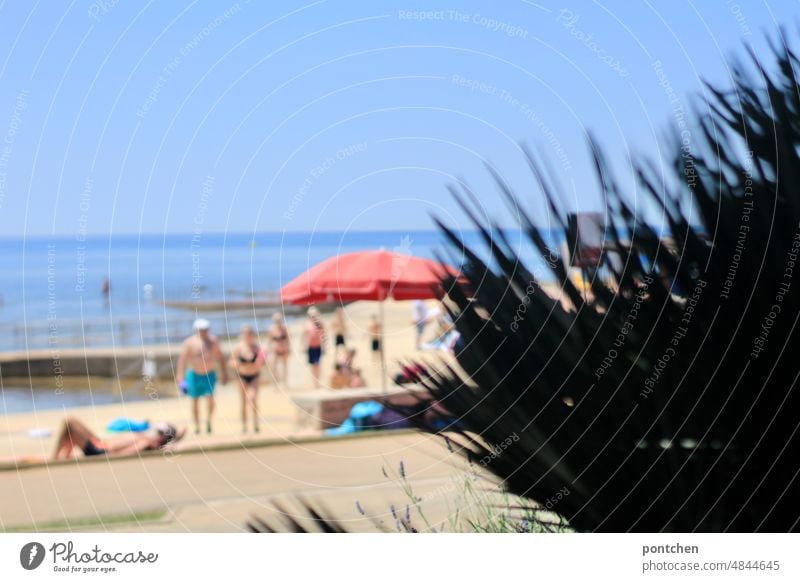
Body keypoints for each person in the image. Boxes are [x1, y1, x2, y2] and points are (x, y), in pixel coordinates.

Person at [177, 318, 230, 434]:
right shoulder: (189, 343)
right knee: (195, 400)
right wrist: (180, 378)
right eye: (202, 330)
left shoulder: (213, 341)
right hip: (194, 375)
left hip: (209, 374)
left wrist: (224, 373)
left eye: (206, 329)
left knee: (210, 399)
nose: (204, 332)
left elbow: (220, 358)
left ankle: (209, 421)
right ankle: (197, 426)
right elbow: (182, 361)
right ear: (197, 330)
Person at [52, 417, 184, 460]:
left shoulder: (146, 442)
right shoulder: (146, 438)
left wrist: (106, 458)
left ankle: (55, 458)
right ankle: (63, 456)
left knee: (69, 423)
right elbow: (181, 432)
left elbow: (125, 453)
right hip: (100, 443)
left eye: (157, 431)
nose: (153, 431)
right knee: (70, 423)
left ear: (160, 438)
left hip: (100, 450)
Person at [230, 325, 266, 433]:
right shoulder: (239, 348)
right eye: (245, 334)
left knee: (253, 399)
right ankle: (244, 426)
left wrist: (259, 363)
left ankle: (256, 424)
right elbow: (231, 362)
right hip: (242, 377)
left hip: (254, 376)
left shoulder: (257, 347)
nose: (248, 336)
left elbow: (263, 361)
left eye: (250, 334)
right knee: (243, 402)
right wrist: (239, 363)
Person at [304, 307, 326, 388]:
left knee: (318, 364)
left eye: (314, 314)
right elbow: (304, 336)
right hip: (310, 347)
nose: (312, 316)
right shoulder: (307, 324)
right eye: (311, 315)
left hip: (318, 346)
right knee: (313, 365)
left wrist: (324, 346)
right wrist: (304, 346)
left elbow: (323, 335)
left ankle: (318, 381)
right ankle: (314, 382)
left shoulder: (320, 323)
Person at [268, 313, 291, 388]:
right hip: (275, 350)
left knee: (285, 367)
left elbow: (288, 339)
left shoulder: (285, 328)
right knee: (274, 367)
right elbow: (269, 340)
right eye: (276, 320)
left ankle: (285, 383)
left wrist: (289, 348)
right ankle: (275, 384)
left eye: (279, 320)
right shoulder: (271, 329)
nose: (278, 322)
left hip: (284, 350)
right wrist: (270, 350)